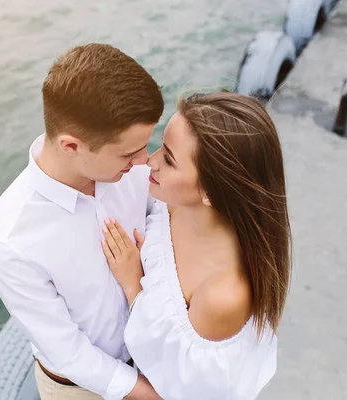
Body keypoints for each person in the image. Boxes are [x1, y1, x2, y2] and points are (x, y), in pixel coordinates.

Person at [0, 43, 164, 399]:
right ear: (70, 146)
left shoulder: (129, 170)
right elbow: (69, 353)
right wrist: (151, 394)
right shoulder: (9, 240)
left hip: (153, 350)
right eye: (129, 152)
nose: (145, 160)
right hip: (80, 388)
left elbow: (161, 213)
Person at [101, 91, 291, 400]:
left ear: (211, 193)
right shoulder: (173, 203)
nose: (150, 160)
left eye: (170, 159)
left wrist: (134, 285)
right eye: (162, 145)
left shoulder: (223, 295)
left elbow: (184, 384)